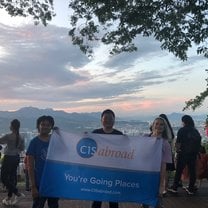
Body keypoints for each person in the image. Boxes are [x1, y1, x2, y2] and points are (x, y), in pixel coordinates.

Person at [91, 109, 123, 208]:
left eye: (110, 118)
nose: (108, 120)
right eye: (105, 118)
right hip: (98, 172)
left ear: (114, 120)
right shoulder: (95, 133)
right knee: (97, 198)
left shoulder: (119, 135)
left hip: (113, 172)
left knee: (113, 199)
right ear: (101, 120)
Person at [26, 115, 59, 208]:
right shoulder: (34, 142)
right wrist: (33, 186)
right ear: (38, 126)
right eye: (42, 124)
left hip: (53, 182)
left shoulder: (55, 141)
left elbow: (68, 149)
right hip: (39, 183)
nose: (45, 127)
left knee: (54, 205)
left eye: (48, 125)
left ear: (51, 127)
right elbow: (30, 166)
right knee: (37, 205)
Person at [142, 116, 172, 208]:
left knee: (156, 201)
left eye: (161, 124)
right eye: (157, 124)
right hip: (144, 173)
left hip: (156, 175)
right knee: (144, 200)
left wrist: (161, 184)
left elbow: (164, 165)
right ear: (153, 125)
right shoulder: (145, 138)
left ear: (164, 128)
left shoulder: (165, 143)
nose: (159, 126)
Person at [168, 115, 201, 195]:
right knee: (192, 171)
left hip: (183, 154)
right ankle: (191, 188)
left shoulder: (182, 130)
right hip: (193, 154)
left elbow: (178, 143)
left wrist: (177, 151)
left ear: (184, 121)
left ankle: (175, 187)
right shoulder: (195, 131)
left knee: (179, 170)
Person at [0, 119, 25, 205]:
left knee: (3, 177)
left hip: (8, 158)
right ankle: (9, 198)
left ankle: (17, 193)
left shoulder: (8, 136)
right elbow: (22, 148)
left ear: (12, 126)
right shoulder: (21, 137)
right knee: (12, 177)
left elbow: (0, 141)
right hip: (16, 157)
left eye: (10, 125)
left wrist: (7, 147)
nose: (9, 126)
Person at [159, 114, 175, 195]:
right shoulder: (170, 132)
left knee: (163, 172)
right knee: (167, 172)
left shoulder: (163, 137)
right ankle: (165, 188)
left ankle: (162, 188)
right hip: (169, 153)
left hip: (161, 155)